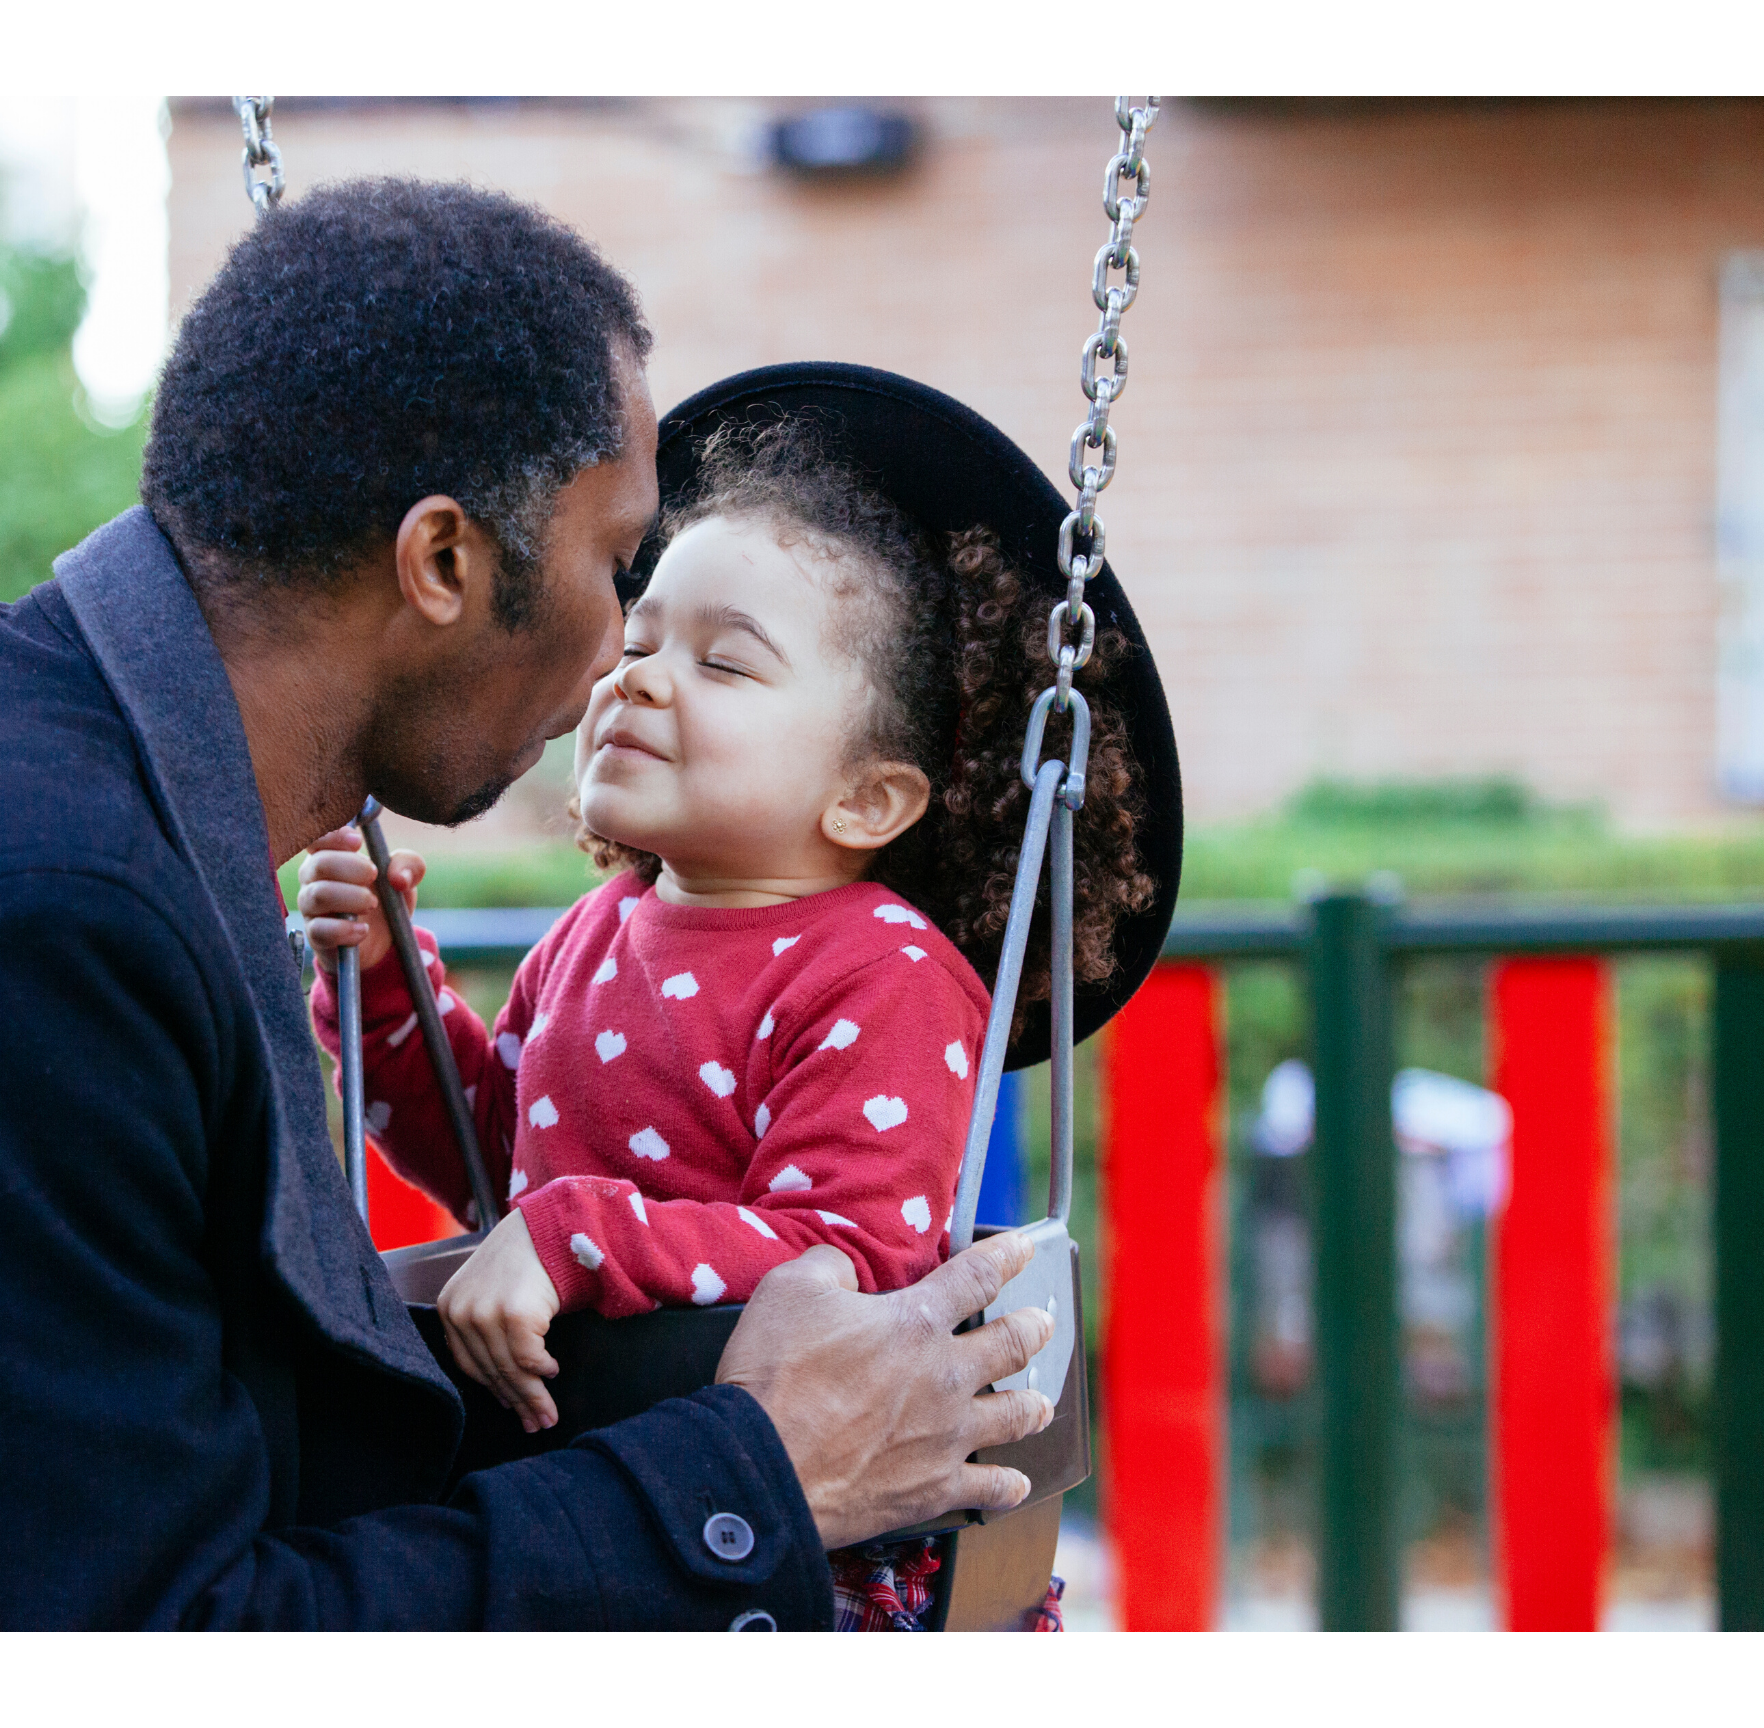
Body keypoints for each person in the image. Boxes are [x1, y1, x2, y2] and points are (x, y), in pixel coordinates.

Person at [0, 182, 1065, 1631]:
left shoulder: (26, 767)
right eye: (613, 567)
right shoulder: (19, 920)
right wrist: (751, 1477)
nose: (615, 659)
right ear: (442, 560)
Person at [300, 417, 1158, 1630]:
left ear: (868, 797)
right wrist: (387, 981)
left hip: (818, 1550)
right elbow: (492, 1159)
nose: (638, 676)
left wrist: (576, 1236)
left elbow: (845, 1263)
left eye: (724, 663)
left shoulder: (886, 975)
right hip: (599, 1505)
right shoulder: (595, 934)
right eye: (639, 640)